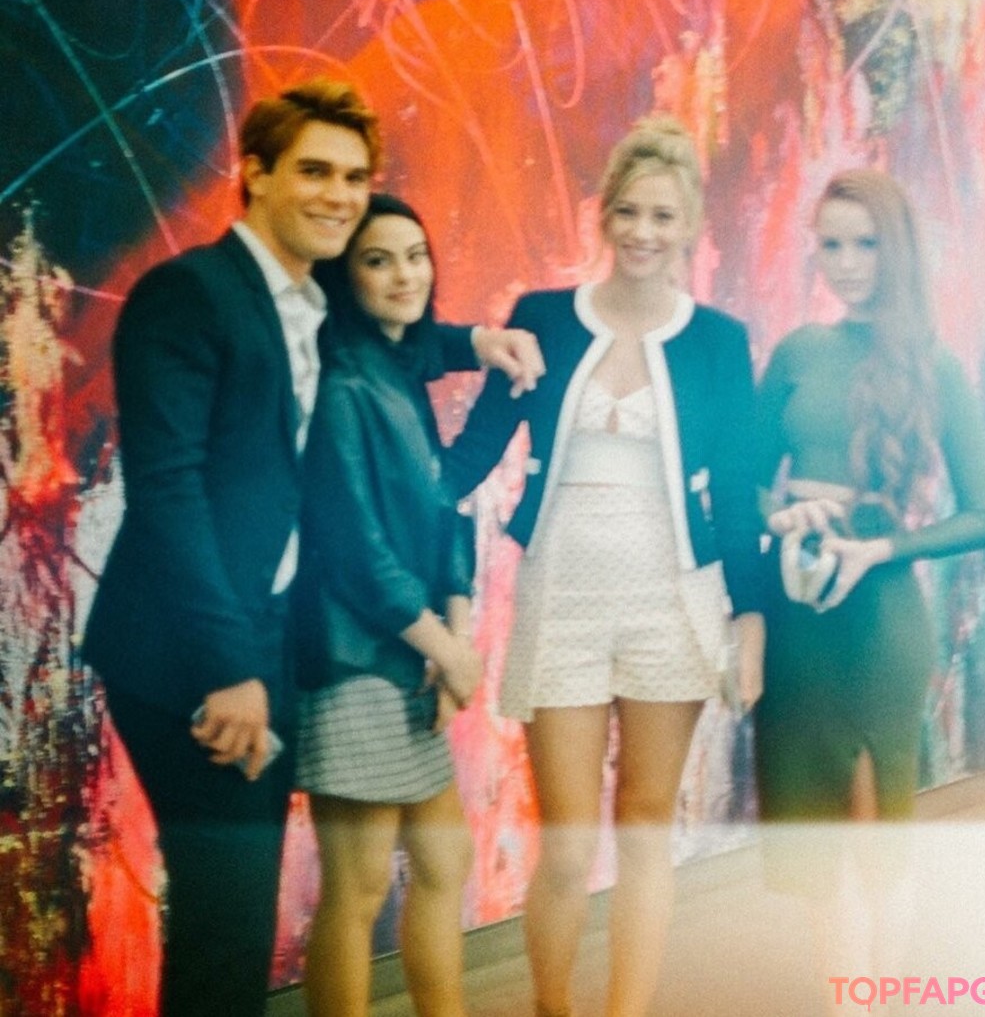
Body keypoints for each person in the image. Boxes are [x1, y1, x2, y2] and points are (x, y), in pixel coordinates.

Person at [81, 79, 543, 1017]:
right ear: (254, 173)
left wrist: (481, 340)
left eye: (353, 176)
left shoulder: (308, 308)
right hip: (188, 655)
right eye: (315, 172)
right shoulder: (191, 294)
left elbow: (405, 340)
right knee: (226, 924)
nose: (338, 195)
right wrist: (228, 670)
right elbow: (168, 495)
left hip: (266, 640)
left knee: (236, 927)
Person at [445, 116, 767, 1017]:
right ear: (604, 215)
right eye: (628, 211)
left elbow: (738, 493)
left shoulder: (719, 340)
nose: (642, 232)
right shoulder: (543, 319)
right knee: (565, 840)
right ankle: (553, 1007)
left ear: (689, 225)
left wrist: (751, 623)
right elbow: (469, 459)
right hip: (563, 597)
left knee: (647, 827)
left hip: (674, 601)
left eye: (662, 216)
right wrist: (374, 482)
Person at [753, 166, 985, 825]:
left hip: (882, 622)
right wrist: (782, 516)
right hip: (795, 621)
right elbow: (742, 486)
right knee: (801, 845)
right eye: (831, 245)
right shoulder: (797, 352)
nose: (847, 263)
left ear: (897, 248)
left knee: (874, 846)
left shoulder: (935, 365)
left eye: (866, 244)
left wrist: (880, 550)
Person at [293, 194, 483, 1017]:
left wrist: (455, 634)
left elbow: (442, 513)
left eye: (416, 254)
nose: (406, 274)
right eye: (378, 260)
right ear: (347, 276)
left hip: (412, 651)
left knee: (443, 861)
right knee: (361, 883)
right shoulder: (343, 383)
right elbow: (355, 551)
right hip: (352, 660)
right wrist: (446, 648)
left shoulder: (399, 369)